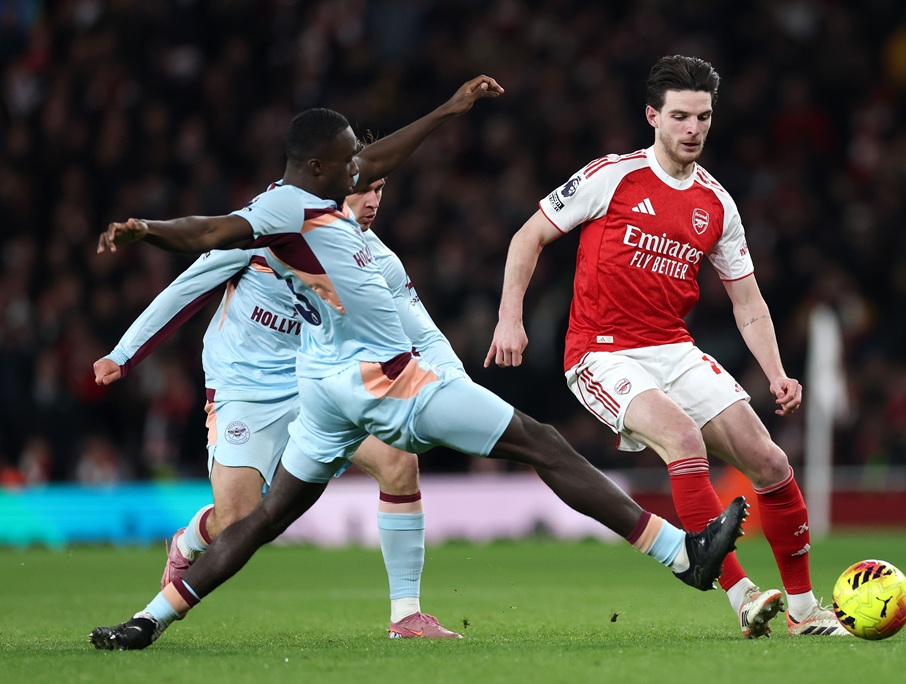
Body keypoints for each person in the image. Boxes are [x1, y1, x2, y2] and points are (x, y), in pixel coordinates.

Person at [89, 75, 748, 651]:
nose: (366, 172)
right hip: (380, 384)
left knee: (266, 521)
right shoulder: (282, 213)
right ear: (323, 166)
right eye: (352, 163)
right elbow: (205, 238)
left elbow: (385, 189)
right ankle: (679, 554)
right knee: (541, 442)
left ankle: (149, 621)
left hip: (322, 392)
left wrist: (447, 111)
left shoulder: (340, 224)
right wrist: (149, 234)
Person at [486, 55, 849, 638]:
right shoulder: (612, 176)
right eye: (680, 116)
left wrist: (777, 373)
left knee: (772, 461)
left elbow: (748, 301)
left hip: (673, 348)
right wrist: (510, 318)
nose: (693, 129)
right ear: (652, 116)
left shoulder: (717, 204)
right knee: (682, 439)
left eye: (703, 116)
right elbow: (527, 237)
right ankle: (741, 596)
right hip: (600, 351)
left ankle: (805, 614)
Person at [94, 178, 461, 638]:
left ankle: (406, 615)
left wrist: (460, 391)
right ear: (331, 185)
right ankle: (189, 541)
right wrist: (124, 354)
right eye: (363, 190)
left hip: (319, 381)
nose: (372, 202)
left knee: (398, 462)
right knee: (238, 519)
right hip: (243, 388)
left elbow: (424, 334)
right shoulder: (261, 231)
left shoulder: (374, 258)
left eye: (382, 189)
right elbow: (186, 288)